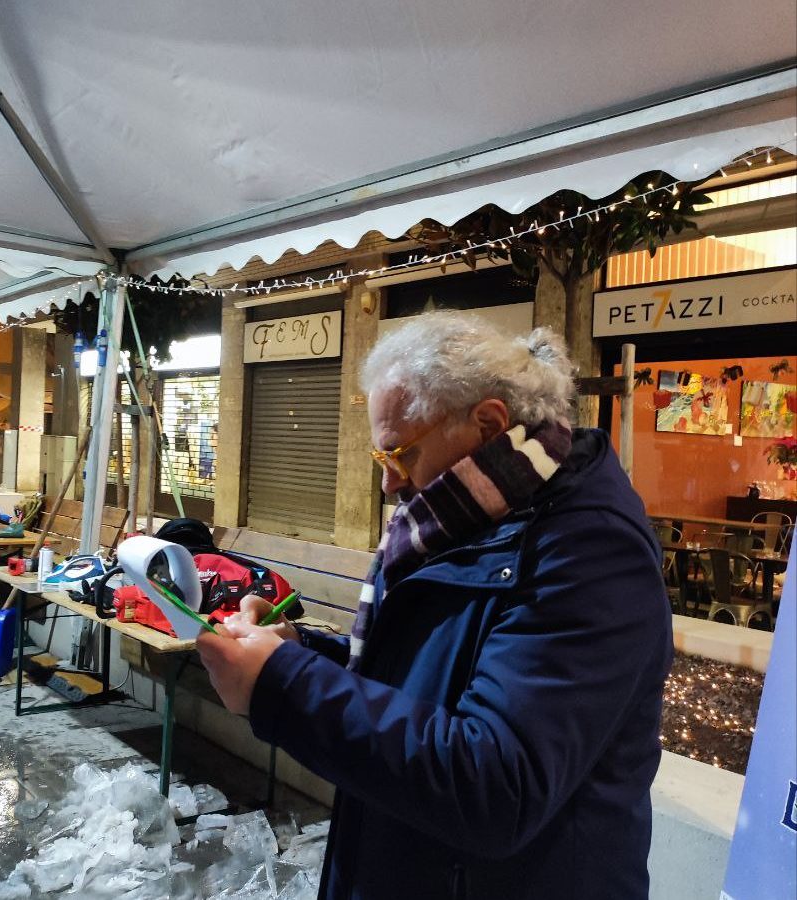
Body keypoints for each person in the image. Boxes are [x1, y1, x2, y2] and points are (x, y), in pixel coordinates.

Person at [197, 312, 672, 900]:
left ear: (489, 424)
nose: (389, 484)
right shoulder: (463, 521)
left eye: (399, 454)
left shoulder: (589, 550)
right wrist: (300, 655)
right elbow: (427, 683)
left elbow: (498, 784)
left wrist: (286, 687)